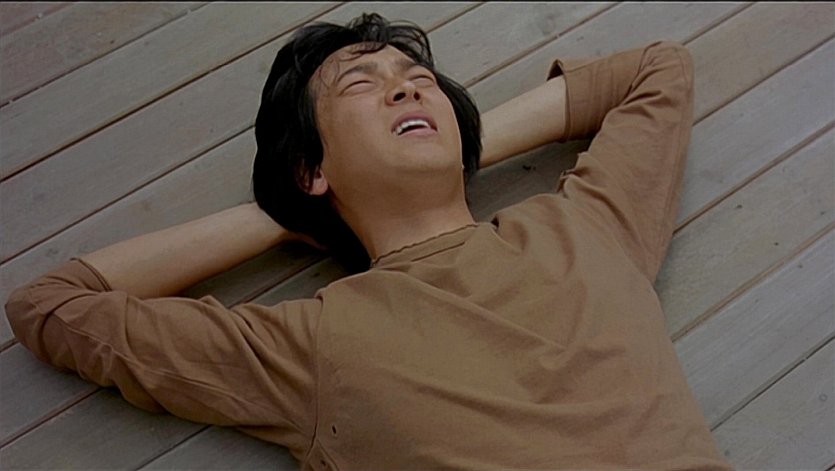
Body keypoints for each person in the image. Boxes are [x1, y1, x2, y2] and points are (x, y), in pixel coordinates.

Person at [5, 13, 734, 471]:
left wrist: (458, 141)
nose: (408, 89)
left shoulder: (587, 227)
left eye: (419, 81)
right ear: (311, 168)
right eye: (361, 84)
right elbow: (51, 304)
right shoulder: (311, 347)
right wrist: (282, 209)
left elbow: (657, 70)